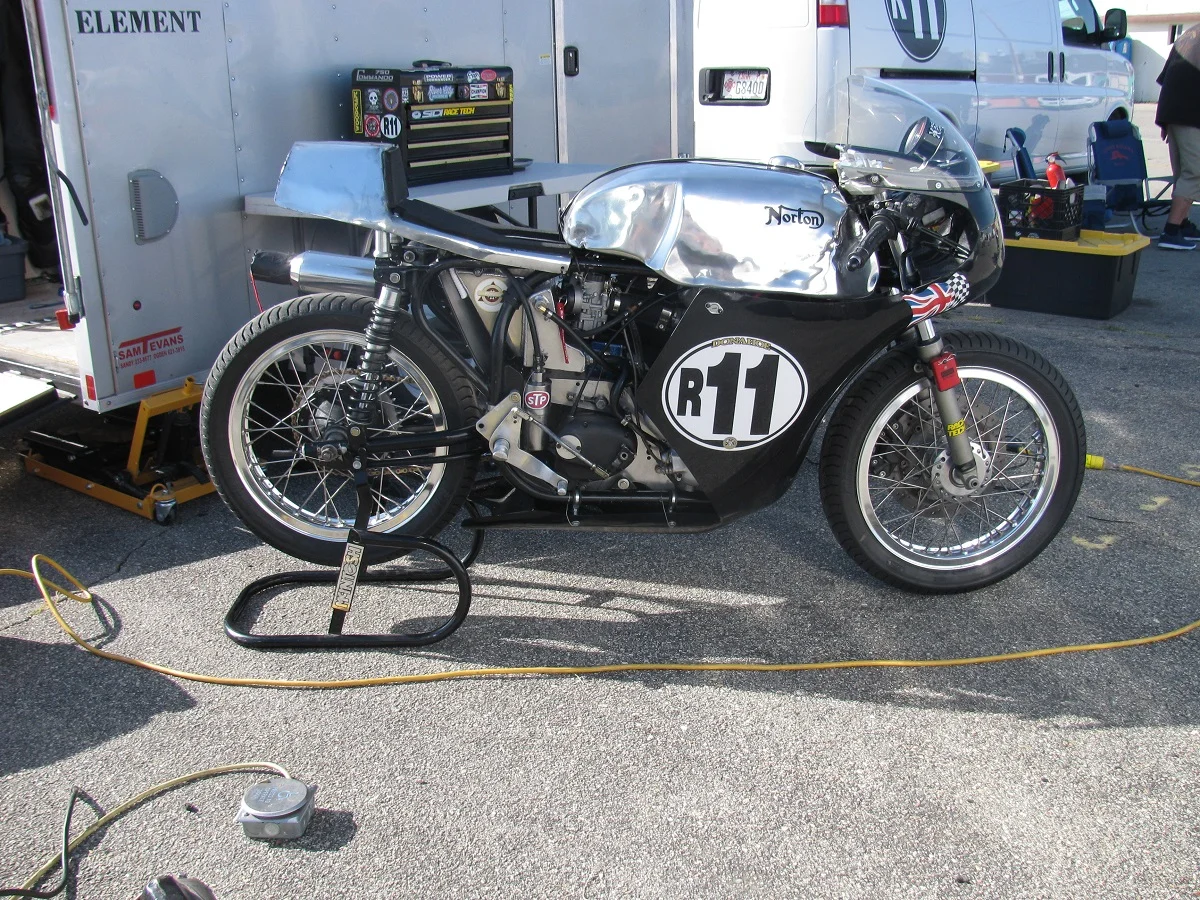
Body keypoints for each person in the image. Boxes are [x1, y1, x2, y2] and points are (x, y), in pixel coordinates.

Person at [1155, 24, 1200, 251]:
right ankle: (1171, 231)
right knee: (1195, 173)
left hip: (1173, 113)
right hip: (1190, 115)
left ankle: (1182, 224)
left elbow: (1166, 78)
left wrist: (1165, 121)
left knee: (1183, 173)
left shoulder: (1189, 34)